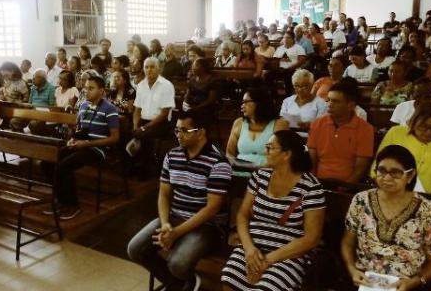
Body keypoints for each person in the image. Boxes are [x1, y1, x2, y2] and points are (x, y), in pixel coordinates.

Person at [128, 110, 232, 291]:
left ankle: (179, 279)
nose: (178, 135)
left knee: (178, 263)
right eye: (177, 130)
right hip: (175, 218)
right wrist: (167, 223)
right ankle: (182, 282)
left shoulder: (218, 162)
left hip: (207, 226)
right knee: (135, 249)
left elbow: (212, 209)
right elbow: (164, 194)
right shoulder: (172, 155)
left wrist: (176, 233)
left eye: (184, 131)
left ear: (201, 132)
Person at [221, 130, 325, 291]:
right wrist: (249, 249)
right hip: (253, 249)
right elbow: (242, 215)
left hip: (288, 256)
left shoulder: (311, 187)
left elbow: (312, 237)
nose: (265, 152)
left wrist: (267, 260)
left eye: (270, 148)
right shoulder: (260, 176)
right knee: (229, 279)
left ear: (286, 154)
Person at [342, 145, 431, 290]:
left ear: (410, 176)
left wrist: (415, 282)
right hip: (365, 280)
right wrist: (352, 270)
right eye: (381, 171)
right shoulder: (361, 200)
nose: (387, 178)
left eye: (395, 173)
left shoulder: (425, 208)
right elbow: (347, 243)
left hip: (406, 284)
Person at [45, 75, 119, 219]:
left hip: (97, 149)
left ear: (101, 91)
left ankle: (72, 205)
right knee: (48, 162)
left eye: (91, 88)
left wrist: (88, 144)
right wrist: (72, 139)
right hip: (80, 145)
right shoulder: (83, 105)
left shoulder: (110, 109)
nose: (86, 91)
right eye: (85, 88)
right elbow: (79, 130)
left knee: (64, 166)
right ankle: (61, 200)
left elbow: (115, 138)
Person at [375, 101, 431, 195]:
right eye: (423, 127)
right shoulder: (396, 133)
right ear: (413, 122)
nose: (428, 132)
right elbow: (376, 167)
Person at [308, 81, 374, 183]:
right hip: (319, 183)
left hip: (348, 187)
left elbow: (359, 171)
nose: (329, 105)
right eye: (328, 100)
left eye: (335, 101)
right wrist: (314, 186)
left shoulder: (365, 129)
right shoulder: (317, 124)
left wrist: (343, 190)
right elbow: (311, 162)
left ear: (351, 105)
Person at [130, 57, 175, 169]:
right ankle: (131, 164)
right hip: (143, 121)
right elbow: (137, 109)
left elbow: (164, 113)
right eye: (146, 67)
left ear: (159, 69)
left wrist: (144, 128)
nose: (149, 70)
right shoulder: (141, 85)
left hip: (161, 123)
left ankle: (146, 169)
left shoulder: (167, 85)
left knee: (145, 135)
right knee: (127, 131)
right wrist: (135, 126)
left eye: (152, 67)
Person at [226, 88, 287, 169]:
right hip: (239, 171)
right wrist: (237, 166)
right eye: (242, 102)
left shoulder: (279, 124)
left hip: (266, 173)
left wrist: (259, 168)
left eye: (246, 102)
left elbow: (281, 155)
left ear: (259, 103)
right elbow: (229, 153)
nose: (242, 105)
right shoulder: (239, 123)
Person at [10, 69, 56, 134]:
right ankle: (21, 138)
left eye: (34, 78)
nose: (32, 80)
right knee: (14, 121)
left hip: (43, 115)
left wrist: (37, 108)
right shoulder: (33, 88)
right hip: (32, 112)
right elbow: (30, 103)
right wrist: (23, 105)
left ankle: (29, 140)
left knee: (33, 124)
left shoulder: (51, 89)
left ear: (42, 79)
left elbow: (51, 107)